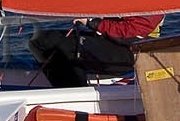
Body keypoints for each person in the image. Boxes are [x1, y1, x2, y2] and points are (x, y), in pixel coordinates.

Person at [29, 14, 164, 87]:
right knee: (40, 41)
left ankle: (76, 97)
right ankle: (67, 87)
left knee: (68, 49)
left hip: (132, 52)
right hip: (109, 39)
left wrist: (92, 23)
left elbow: (132, 32)